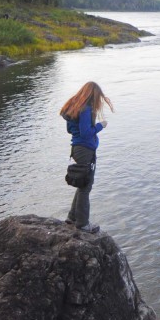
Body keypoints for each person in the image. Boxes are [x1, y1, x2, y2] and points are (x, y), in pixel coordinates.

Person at [61, 81, 114, 233]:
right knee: (86, 186)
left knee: (82, 184)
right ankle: (83, 223)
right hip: (85, 150)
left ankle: (72, 218)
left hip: (77, 149)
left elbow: (71, 131)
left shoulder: (74, 107)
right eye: (98, 97)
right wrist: (100, 126)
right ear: (93, 95)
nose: (98, 101)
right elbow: (86, 133)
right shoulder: (86, 109)